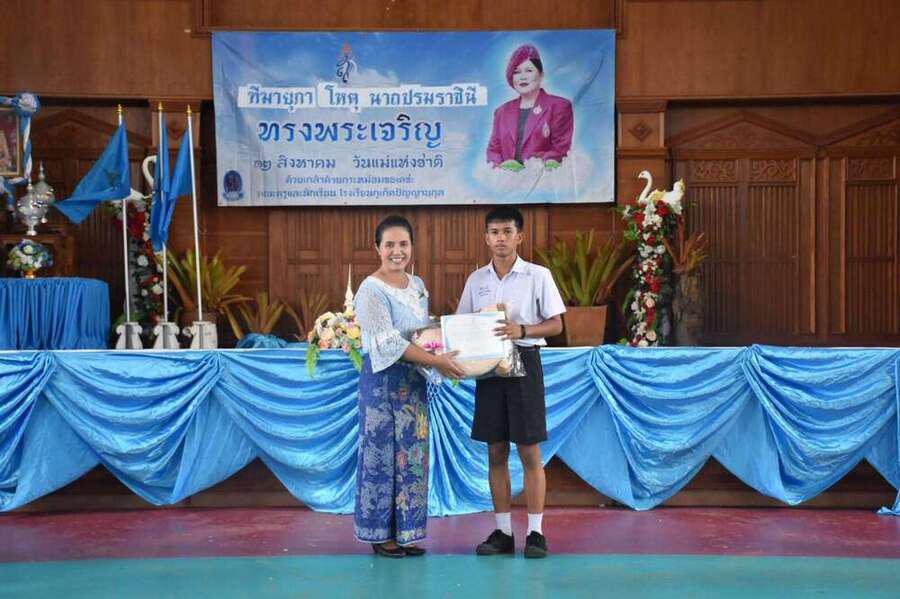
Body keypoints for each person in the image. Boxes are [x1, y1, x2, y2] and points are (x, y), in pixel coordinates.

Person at [354, 214, 466, 558]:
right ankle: (380, 535)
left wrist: (442, 349)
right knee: (381, 458)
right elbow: (388, 343)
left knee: (413, 457)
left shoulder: (417, 284)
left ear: (412, 247)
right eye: (389, 244)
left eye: (403, 244)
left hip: (414, 383)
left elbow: (421, 333)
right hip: (381, 385)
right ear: (377, 248)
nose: (397, 251)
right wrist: (436, 360)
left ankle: (407, 532)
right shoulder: (370, 289)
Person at [457, 206, 565, 559]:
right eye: (494, 232)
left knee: (529, 450)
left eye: (507, 231)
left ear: (520, 236)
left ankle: (536, 532)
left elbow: (556, 324)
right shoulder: (476, 281)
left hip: (525, 363)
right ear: (486, 238)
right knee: (496, 450)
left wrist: (522, 330)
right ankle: (503, 532)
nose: (500, 238)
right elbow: (462, 324)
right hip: (489, 367)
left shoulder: (538, 276)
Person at [486, 44, 574, 172]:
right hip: (506, 180)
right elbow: (493, 151)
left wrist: (534, 166)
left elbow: (560, 149)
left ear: (541, 75)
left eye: (528, 70)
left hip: (542, 178)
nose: (522, 76)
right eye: (516, 72)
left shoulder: (559, 106)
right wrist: (501, 167)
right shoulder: (501, 112)